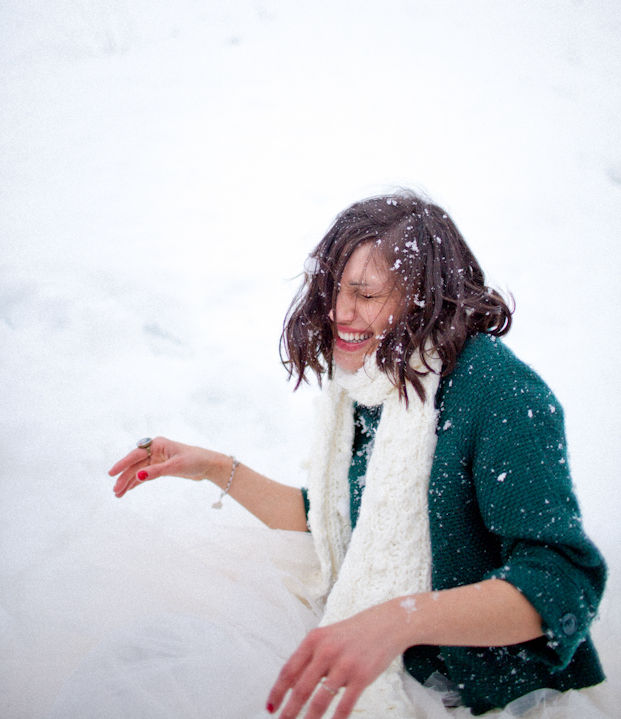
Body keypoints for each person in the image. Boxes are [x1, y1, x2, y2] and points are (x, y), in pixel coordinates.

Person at [49, 191, 608, 719]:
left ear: (426, 295)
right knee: (150, 657)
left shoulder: (500, 394)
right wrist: (215, 468)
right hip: (374, 643)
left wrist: (399, 621)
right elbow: (335, 518)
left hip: (466, 691)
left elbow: (564, 583)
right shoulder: (381, 381)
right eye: (335, 290)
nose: (340, 312)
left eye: (365, 295)